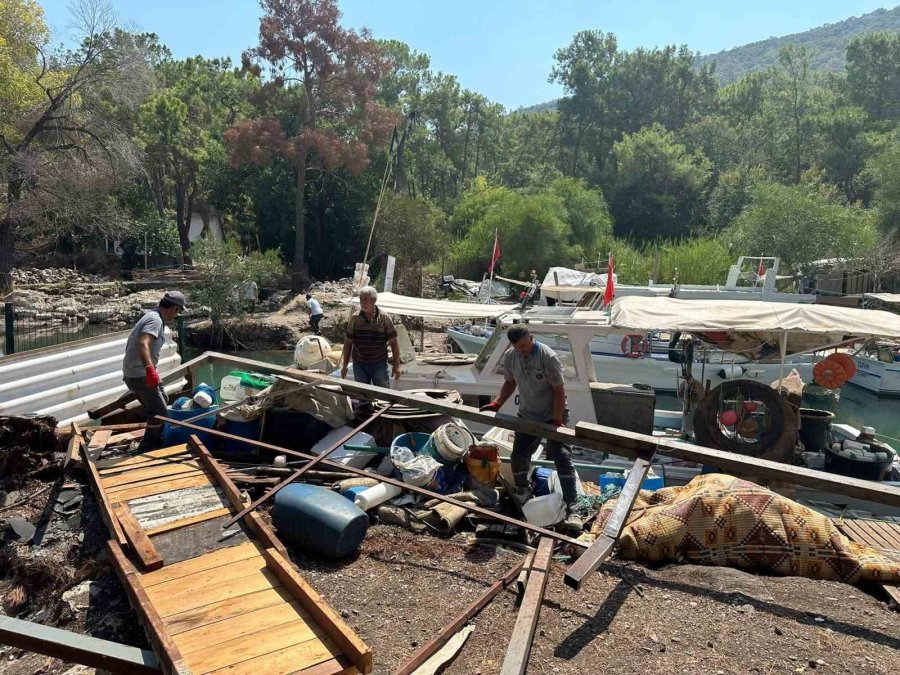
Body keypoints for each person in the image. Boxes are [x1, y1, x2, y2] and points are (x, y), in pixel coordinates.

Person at [480, 325, 583, 533]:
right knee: (519, 456)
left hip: (554, 413)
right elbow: (509, 383)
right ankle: (523, 495)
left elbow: (559, 390)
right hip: (527, 414)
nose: (522, 351)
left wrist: (555, 420)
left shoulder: (548, 357)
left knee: (562, 458)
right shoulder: (511, 357)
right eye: (517, 347)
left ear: (532, 338)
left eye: (525, 346)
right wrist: (497, 404)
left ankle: (574, 507)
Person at [122, 291, 185, 451]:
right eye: (178, 311)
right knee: (160, 411)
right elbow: (143, 343)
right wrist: (150, 370)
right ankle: (147, 447)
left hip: (136, 373)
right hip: (139, 376)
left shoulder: (153, 316)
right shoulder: (155, 320)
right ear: (174, 308)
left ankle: (158, 438)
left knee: (162, 399)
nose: (176, 315)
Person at [340, 286, 401, 388]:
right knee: (363, 397)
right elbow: (348, 343)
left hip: (379, 364)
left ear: (373, 300)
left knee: (383, 396)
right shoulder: (355, 319)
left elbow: (394, 343)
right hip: (359, 365)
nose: (362, 302)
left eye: (365, 299)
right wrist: (345, 365)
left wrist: (397, 365)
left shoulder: (385, 318)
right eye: (361, 299)